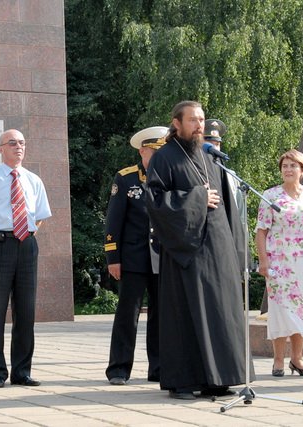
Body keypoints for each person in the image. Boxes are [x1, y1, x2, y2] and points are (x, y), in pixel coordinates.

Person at [145, 101, 250, 400]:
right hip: (185, 252)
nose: (199, 125)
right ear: (176, 123)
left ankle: (218, 379)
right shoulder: (164, 158)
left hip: (217, 249)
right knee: (186, 316)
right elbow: (155, 202)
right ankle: (182, 381)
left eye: (201, 120)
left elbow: (226, 205)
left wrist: (233, 248)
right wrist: (197, 198)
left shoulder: (210, 157)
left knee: (219, 313)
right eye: (192, 120)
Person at [0, 128, 52, 388]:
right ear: (0, 149)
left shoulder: (33, 180)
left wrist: (25, 236)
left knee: (26, 311)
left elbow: (39, 216)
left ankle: (22, 371)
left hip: (26, 246)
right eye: (12, 143)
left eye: (22, 143)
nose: (18, 147)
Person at [255, 149, 303, 378]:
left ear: (302, 170)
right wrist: (263, 261)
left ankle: (297, 359)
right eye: (285, 166)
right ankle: (278, 360)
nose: (288, 170)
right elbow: (261, 231)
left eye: (293, 166)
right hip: (279, 261)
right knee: (281, 310)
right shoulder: (270, 195)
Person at [104, 126, 167, 386]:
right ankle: (118, 369)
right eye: (155, 152)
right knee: (127, 315)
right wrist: (113, 257)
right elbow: (114, 220)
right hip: (133, 257)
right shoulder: (126, 178)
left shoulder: (170, 177)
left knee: (161, 316)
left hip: (163, 257)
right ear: (142, 151)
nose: (159, 157)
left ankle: (159, 368)